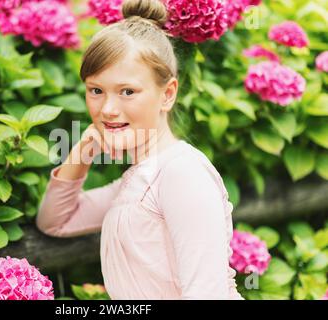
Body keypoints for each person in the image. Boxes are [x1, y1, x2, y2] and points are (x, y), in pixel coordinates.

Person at [36, 0, 243, 300]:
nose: (107, 108)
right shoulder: (138, 180)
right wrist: (86, 146)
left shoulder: (181, 173)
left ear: (167, 94)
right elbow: (56, 221)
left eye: (127, 92)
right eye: (96, 90)